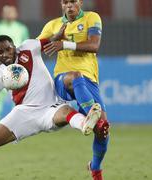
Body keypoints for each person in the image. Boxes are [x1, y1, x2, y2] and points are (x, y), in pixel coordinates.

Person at [0, 35, 106, 180]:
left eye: (8, 49)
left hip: (50, 107)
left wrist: (61, 33)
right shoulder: (0, 74)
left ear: (14, 47)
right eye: (0, 52)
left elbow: (50, 39)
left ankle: (85, 124)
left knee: (66, 112)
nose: (5, 54)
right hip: (24, 113)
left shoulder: (29, 47)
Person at [37, 0, 110, 179]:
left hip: (90, 80)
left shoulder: (92, 18)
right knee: (74, 75)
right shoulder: (53, 25)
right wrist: (4, 62)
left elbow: (94, 45)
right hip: (64, 79)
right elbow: (32, 49)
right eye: (65, 2)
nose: (69, 5)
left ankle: (95, 167)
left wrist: (64, 44)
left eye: (73, 1)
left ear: (80, 2)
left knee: (104, 131)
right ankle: (91, 117)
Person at [0, 5, 30, 129]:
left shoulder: (22, 28)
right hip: (0, 64)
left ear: (16, 13)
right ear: (2, 13)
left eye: (11, 11)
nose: (8, 14)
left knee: (18, 94)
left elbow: (26, 45)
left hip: (17, 65)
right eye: (6, 12)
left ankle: (16, 125)